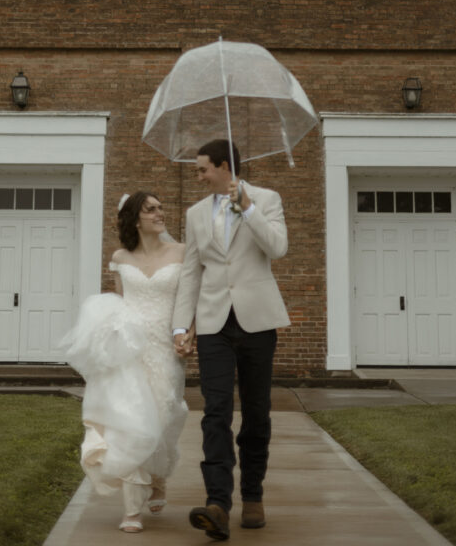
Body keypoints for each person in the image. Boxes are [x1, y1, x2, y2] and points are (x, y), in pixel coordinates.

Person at [172, 139, 289, 542]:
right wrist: (180, 325)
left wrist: (248, 208)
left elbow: (278, 247)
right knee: (215, 412)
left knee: (256, 413)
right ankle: (218, 503)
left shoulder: (267, 199)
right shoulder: (195, 213)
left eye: (203, 169)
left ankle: (253, 496)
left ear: (225, 166)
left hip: (258, 320)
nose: (198, 176)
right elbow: (192, 271)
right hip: (213, 324)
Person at [62, 191, 193, 534]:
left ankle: (158, 478)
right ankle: (132, 508)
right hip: (131, 349)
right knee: (132, 420)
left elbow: (190, 299)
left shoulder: (181, 253)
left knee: (163, 416)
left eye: (161, 207)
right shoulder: (120, 257)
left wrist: (188, 332)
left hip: (166, 348)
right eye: (151, 209)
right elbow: (121, 301)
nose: (160, 213)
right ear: (135, 219)